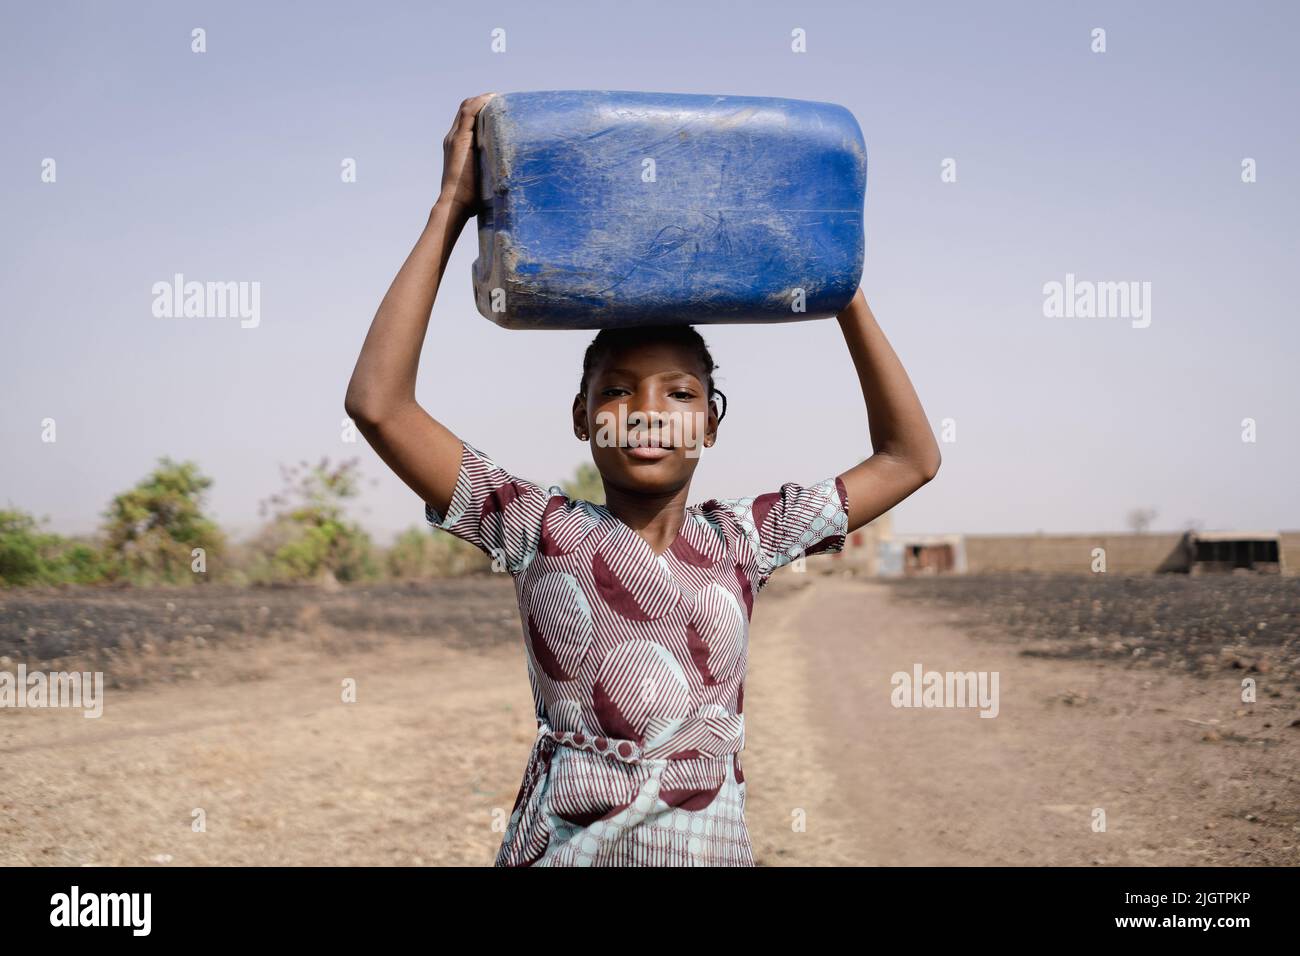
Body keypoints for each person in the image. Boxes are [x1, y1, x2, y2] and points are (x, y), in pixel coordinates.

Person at [344, 93, 942, 866]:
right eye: (618, 390)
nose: (648, 412)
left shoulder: (744, 540)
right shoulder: (536, 527)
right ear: (581, 416)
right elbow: (379, 405)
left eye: (681, 394)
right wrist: (451, 211)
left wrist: (835, 276)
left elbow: (911, 459)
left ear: (713, 424)